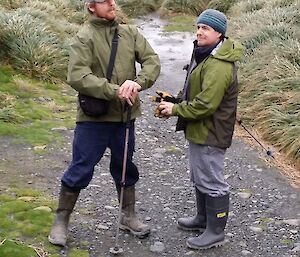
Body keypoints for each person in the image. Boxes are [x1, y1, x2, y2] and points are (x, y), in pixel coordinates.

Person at [48, 0, 160, 247]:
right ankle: (61, 220)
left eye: (112, 0)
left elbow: (152, 61)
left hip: (125, 117)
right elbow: (77, 76)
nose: (112, 4)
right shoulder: (84, 36)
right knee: (80, 168)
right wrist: (115, 91)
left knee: (124, 167)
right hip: (94, 119)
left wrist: (138, 83)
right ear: (91, 7)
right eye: (104, 1)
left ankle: (128, 217)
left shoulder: (129, 32)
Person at [158, 9, 244, 250]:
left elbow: (206, 104)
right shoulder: (204, 53)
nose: (199, 31)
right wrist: (176, 101)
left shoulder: (218, 64)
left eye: (205, 28)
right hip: (200, 128)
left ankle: (216, 232)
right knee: (199, 176)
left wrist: (175, 111)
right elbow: (194, 92)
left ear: (219, 33)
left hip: (211, 130)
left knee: (211, 180)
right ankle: (202, 219)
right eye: (198, 26)